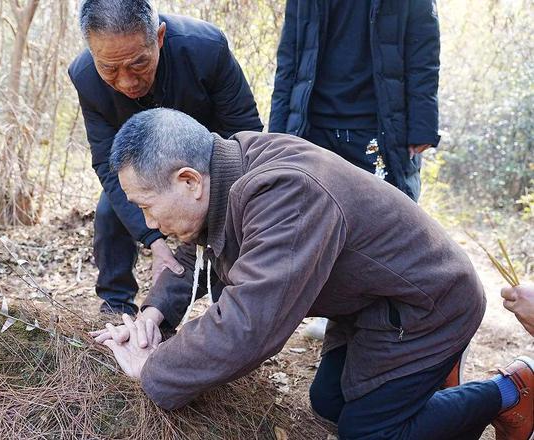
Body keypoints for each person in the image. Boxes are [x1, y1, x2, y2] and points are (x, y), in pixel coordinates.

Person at [94, 108, 533, 440]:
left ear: (189, 181)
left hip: (428, 304)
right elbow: (197, 251)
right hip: (373, 301)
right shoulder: (226, 168)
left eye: (147, 206)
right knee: (328, 401)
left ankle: (511, 391)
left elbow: (251, 324)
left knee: (367, 433)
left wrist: (154, 367)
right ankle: (428, 384)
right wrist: (155, 313)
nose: (149, 224)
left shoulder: (287, 191)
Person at [68, 0, 262, 315]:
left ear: (159, 37)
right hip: (142, 165)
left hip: (212, 163)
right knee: (109, 211)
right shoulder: (85, 77)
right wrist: (155, 243)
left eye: (138, 64)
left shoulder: (205, 49)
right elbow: (105, 161)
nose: (127, 82)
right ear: (92, 53)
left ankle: (230, 307)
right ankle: (116, 305)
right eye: (110, 68)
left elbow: (246, 132)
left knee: (226, 219)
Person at [269, 0, 441, 202]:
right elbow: (290, 54)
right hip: (312, 131)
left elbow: (423, 51)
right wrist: (276, 134)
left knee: (383, 226)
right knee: (309, 227)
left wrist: (422, 127)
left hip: (380, 133)